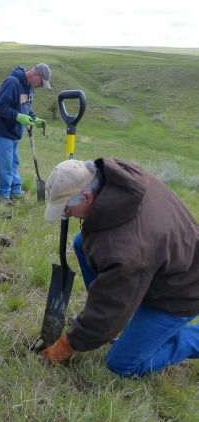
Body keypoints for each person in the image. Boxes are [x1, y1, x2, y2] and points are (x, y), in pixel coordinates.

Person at [41, 157, 199, 378]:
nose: (66, 215)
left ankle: (191, 337)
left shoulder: (125, 252)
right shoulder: (121, 180)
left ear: (87, 198)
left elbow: (110, 307)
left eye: (66, 209)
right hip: (169, 260)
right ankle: (118, 310)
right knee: (81, 243)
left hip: (180, 292)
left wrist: (70, 344)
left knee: (120, 365)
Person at [0, 63, 51, 202]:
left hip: (15, 132)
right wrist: (18, 116)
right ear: (35, 75)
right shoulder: (12, 83)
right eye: (42, 82)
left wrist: (35, 118)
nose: (41, 86)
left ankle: (16, 190)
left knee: (13, 162)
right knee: (6, 164)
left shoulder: (29, 87)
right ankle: (3, 194)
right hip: (2, 130)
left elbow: (25, 108)